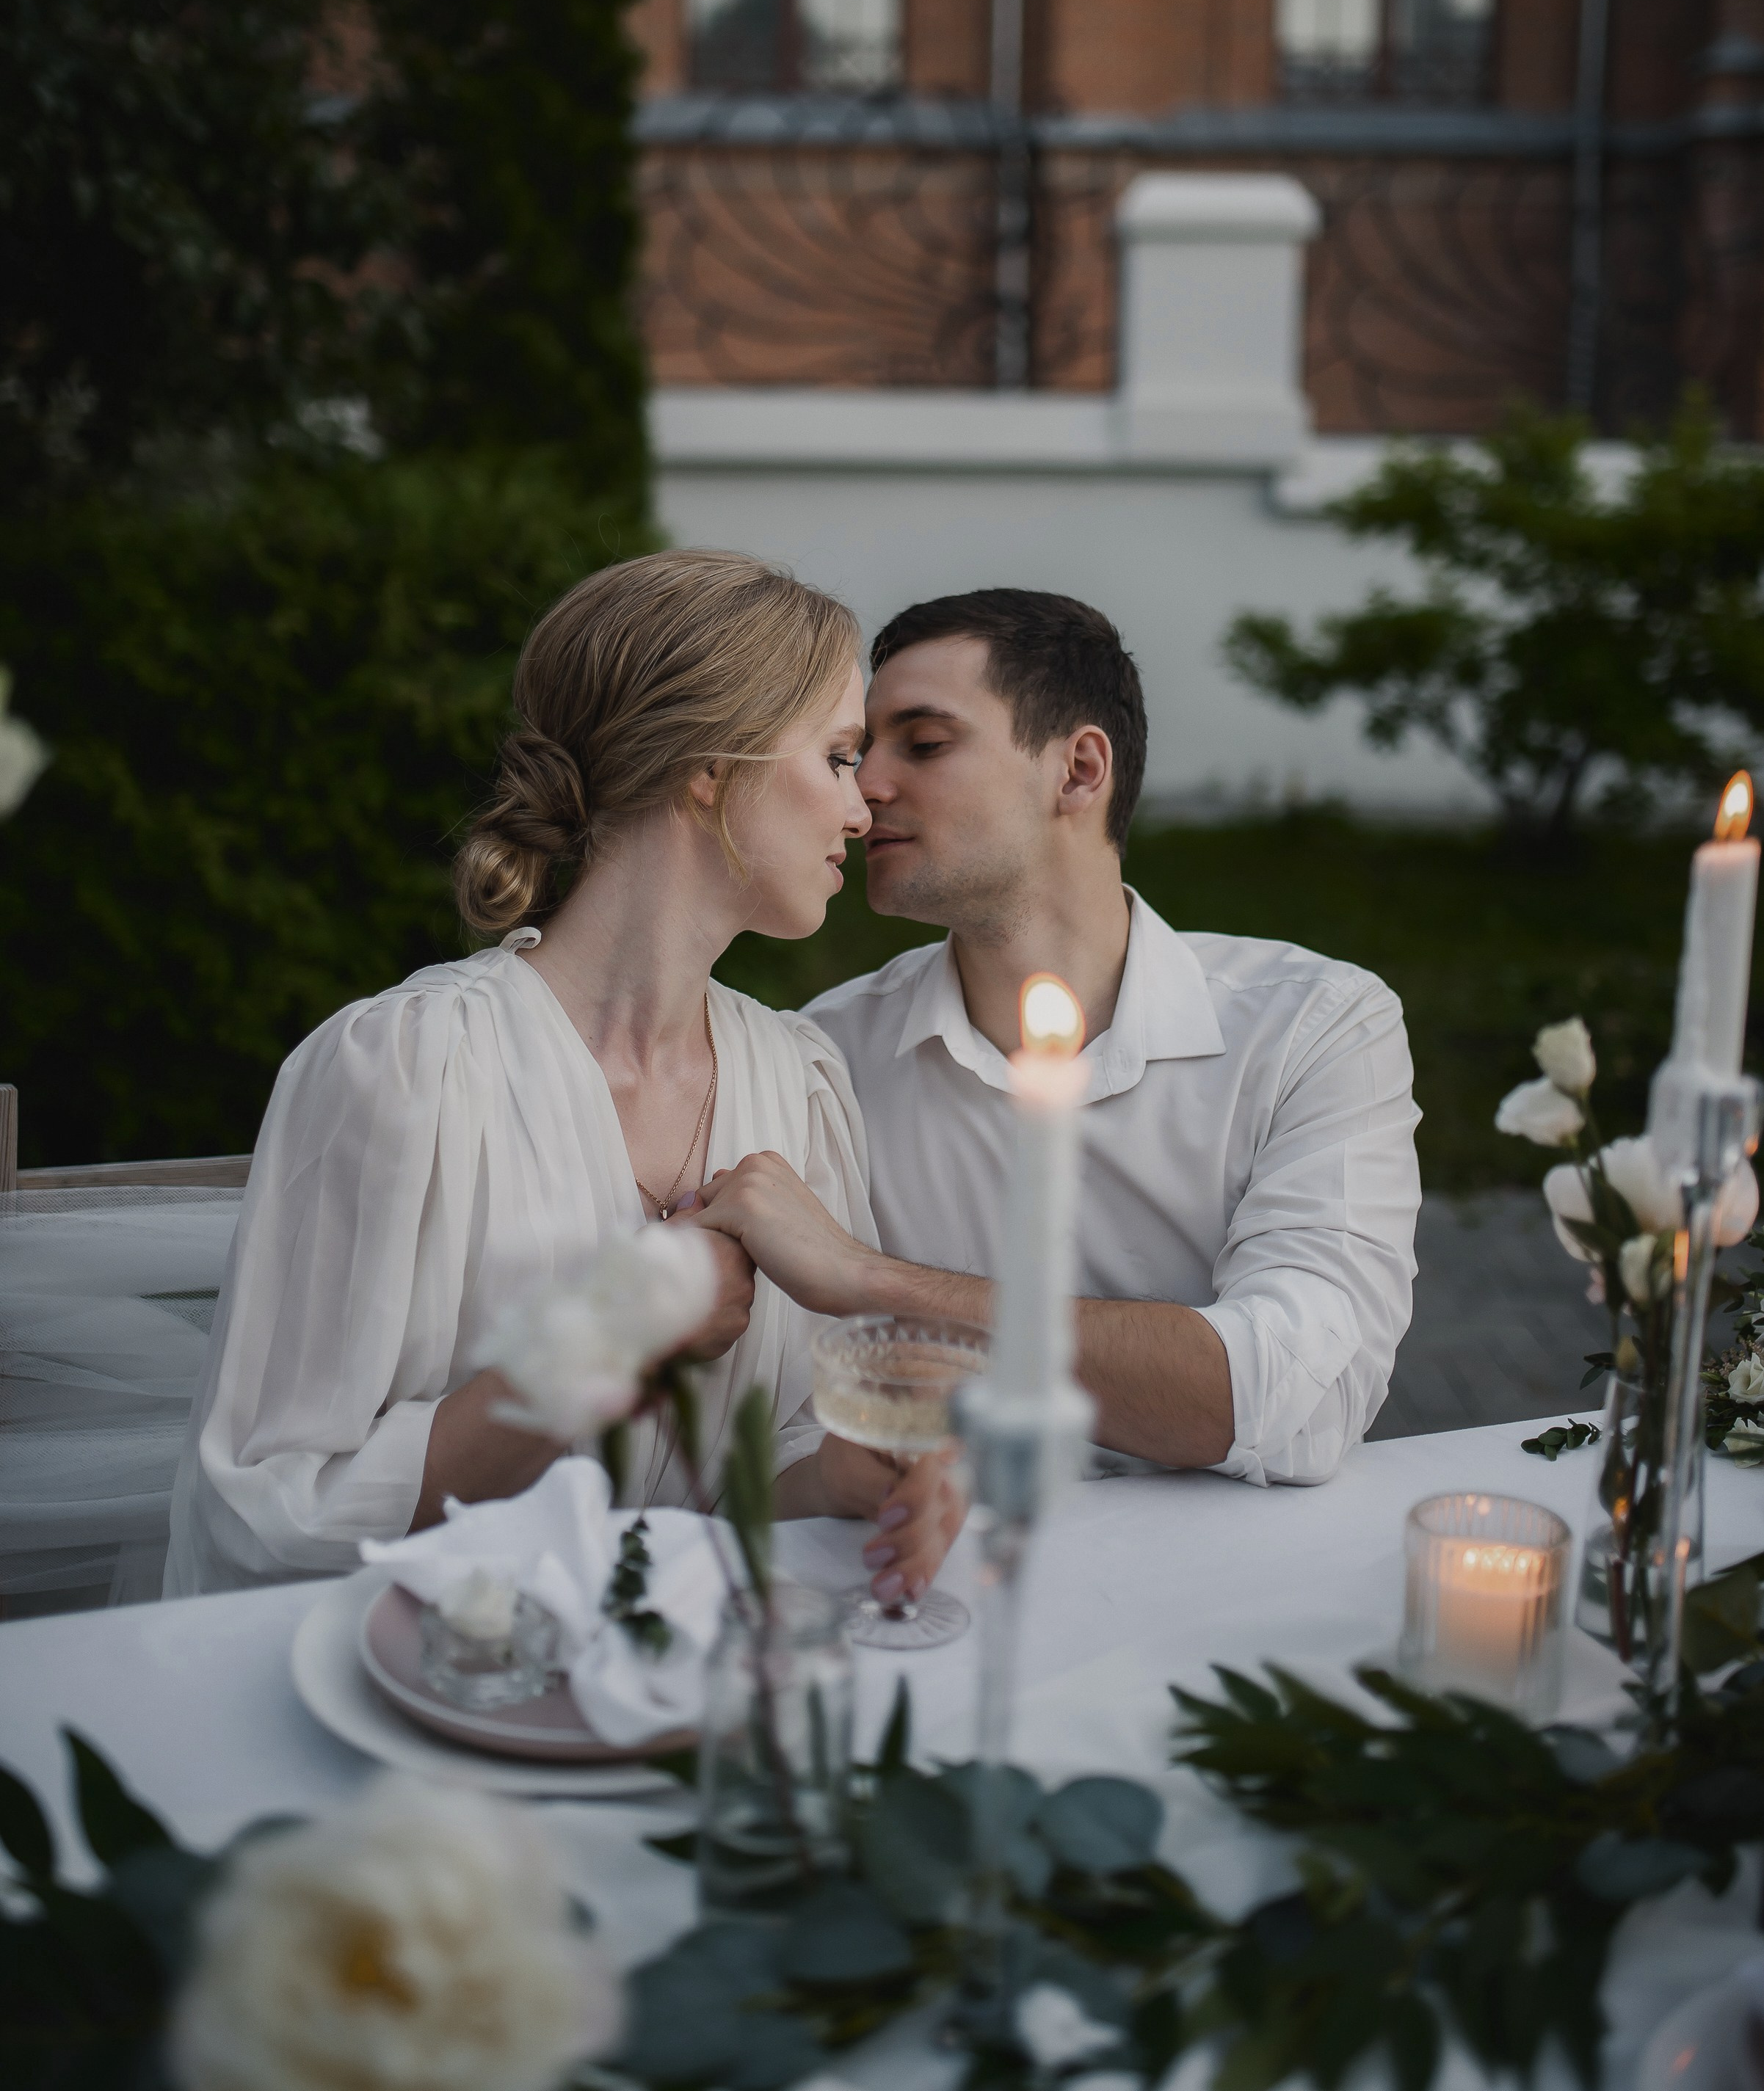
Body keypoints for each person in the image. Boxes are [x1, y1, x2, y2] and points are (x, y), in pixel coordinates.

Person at [166, 552, 964, 1598]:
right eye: (837, 756)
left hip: (698, 1667)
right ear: (709, 768)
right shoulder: (407, 1072)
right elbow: (270, 1509)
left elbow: (753, 1467)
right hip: (437, 1671)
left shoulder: (800, 1083)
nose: (861, 811)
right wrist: (610, 1334)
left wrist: (841, 1474)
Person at [688, 589, 1422, 1489]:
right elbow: (782, 1427)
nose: (865, 787)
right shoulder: (821, 1057)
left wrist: (875, 1281)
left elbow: (1293, 1403)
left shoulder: (1313, 1027)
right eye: (858, 750)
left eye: (924, 744)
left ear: (1078, 770)